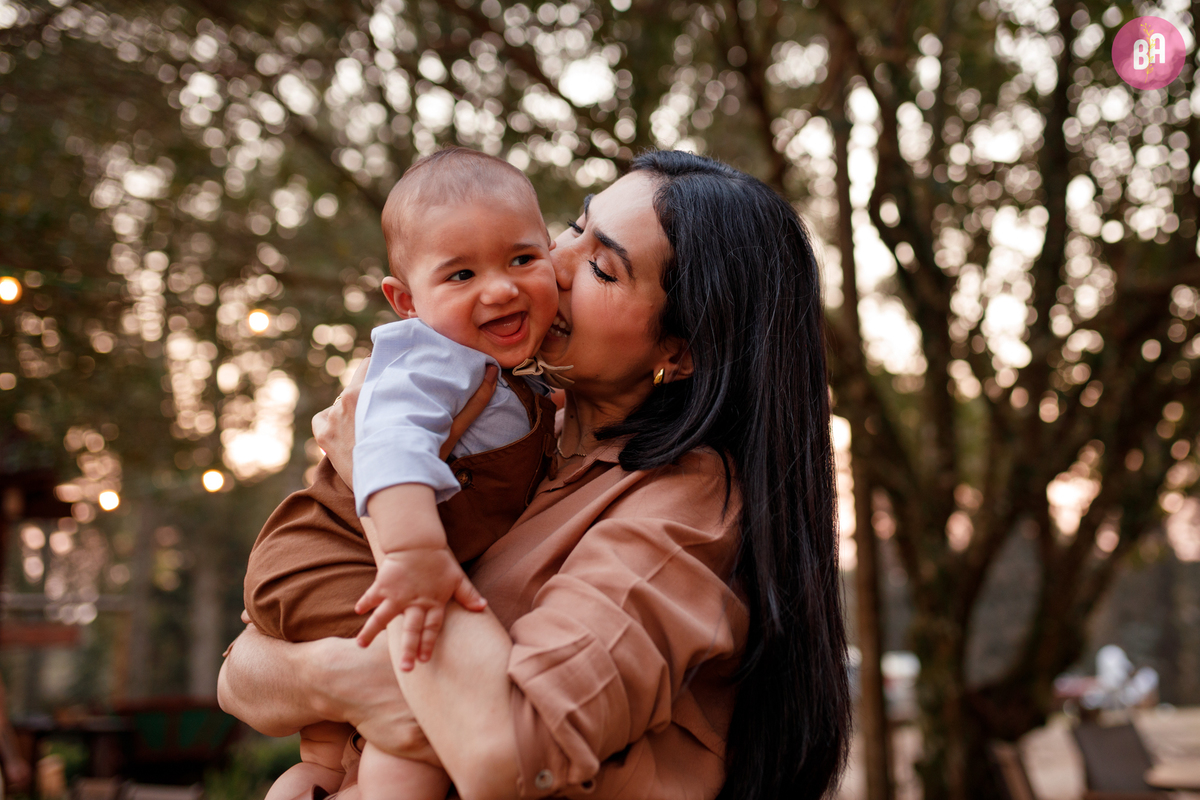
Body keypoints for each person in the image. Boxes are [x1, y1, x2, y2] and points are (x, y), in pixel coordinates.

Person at [221, 150, 851, 800]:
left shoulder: (684, 506)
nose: (555, 265)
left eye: (603, 268)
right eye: (574, 229)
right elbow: (242, 673)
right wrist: (338, 678)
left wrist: (375, 483)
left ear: (678, 352)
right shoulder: (510, 430)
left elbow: (505, 753)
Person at [247, 147, 564, 800]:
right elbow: (385, 446)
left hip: (352, 558)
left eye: (522, 259)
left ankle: (316, 782)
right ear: (406, 301)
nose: (500, 287)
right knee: (413, 719)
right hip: (338, 553)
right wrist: (416, 550)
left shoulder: (510, 377)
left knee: (329, 756)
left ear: (552, 255)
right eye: (461, 274)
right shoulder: (431, 364)